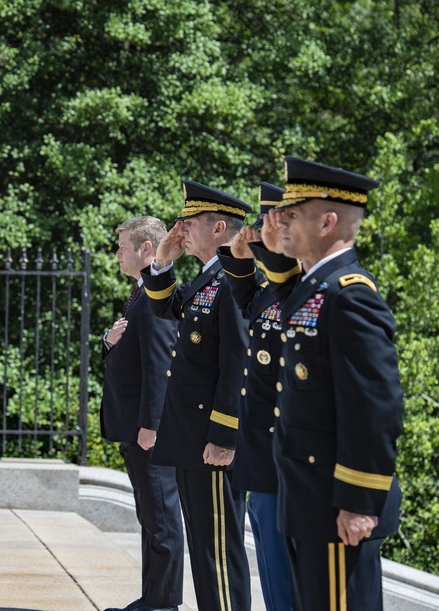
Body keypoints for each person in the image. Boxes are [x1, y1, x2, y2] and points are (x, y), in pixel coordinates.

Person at [265, 156, 403, 610]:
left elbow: (374, 408)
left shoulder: (351, 295)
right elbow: (287, 307)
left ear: (327, 221)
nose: (282, 222)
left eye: (292, 215)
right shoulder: (316, 285)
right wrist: (273, 251)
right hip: (308, 498)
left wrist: (360, 501)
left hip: (336, 505)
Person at [141, 181, 252, 611]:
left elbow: (237, 366)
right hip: (192, 438)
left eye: (189, 224)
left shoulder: (234, 282)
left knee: (218, 554)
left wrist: (225, 436)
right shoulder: (209, 279)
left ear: (219, 228)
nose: (180, 230)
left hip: (212, 440)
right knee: (205, 551)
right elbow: (168, 308)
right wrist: (163, 260)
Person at [218, 182, 300, 611]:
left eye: (271, 225)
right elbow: (247, 298)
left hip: (285, 453)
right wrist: (238, 252)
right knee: (269, 567)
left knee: (286, 576)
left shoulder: (303, 287)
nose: (261, 232)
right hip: (262, 451)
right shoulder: (273, 290)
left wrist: (264, 253)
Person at [101, 216, 184, 611]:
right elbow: (130, 351)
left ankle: (163, 604)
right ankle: (153, 598)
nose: (117, 253)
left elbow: (159, 366)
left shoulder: (154, 296)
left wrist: (151, 425)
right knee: (151, 520)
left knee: (162, 520)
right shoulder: (139, 292)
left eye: (122, 247)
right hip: (136, 426)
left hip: (148, 429)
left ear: (146, 249)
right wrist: (107, 340)